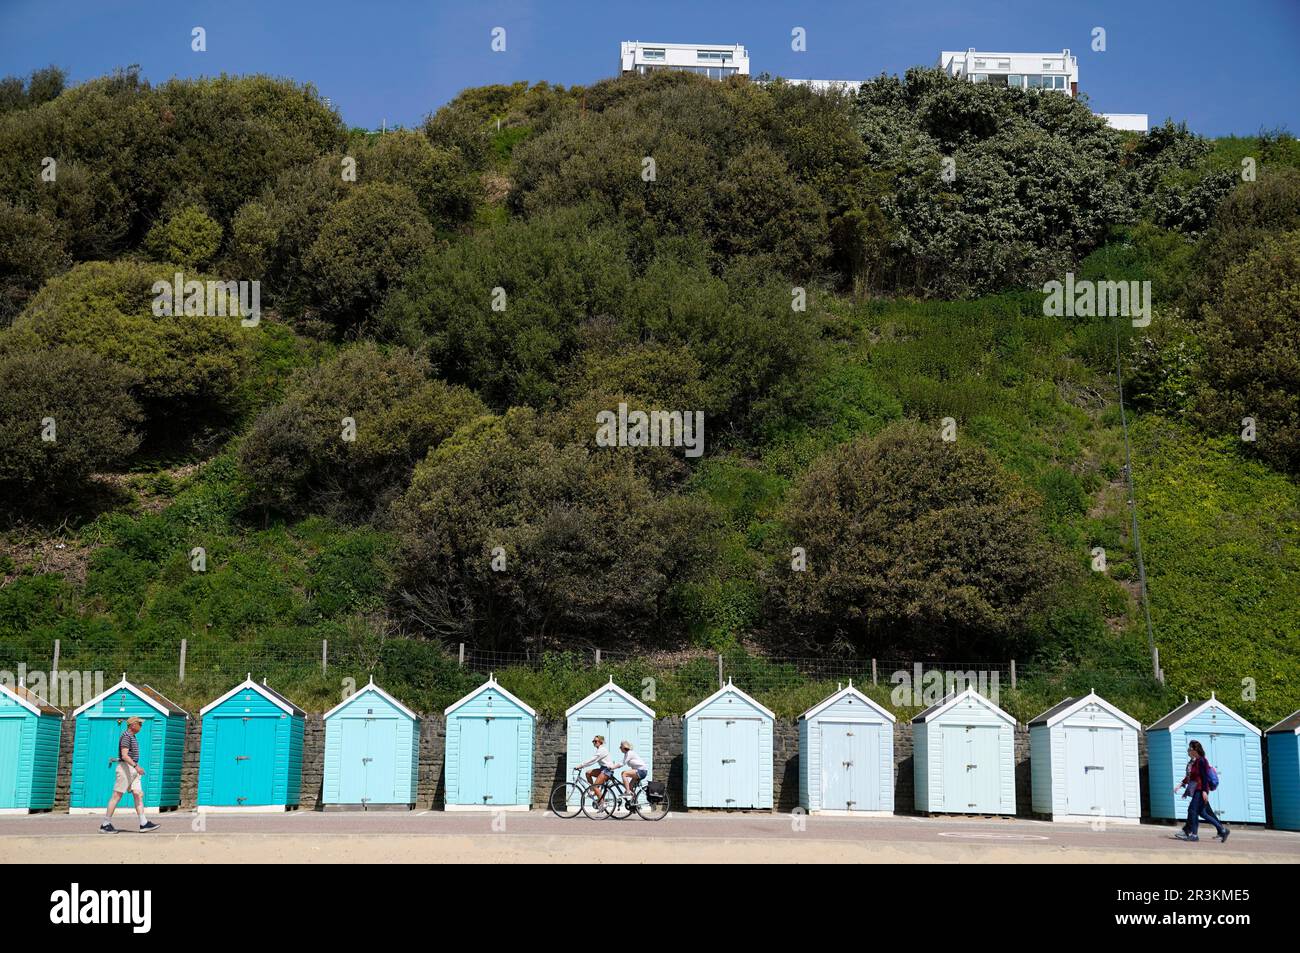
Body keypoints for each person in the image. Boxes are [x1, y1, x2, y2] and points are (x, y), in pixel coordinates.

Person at [100, 717, 159, 834]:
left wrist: (135, 768)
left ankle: (144, 823)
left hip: (133, 769)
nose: (141, 726)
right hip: (125, 768)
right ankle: (105, 824)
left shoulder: (132, 736)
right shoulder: (126, 736)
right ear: (133, 725)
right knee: (117, 796)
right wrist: (136, 766)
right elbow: (125, 755)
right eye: (140, 724)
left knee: (138, 795)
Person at [1173, 740, 1229, 843]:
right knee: (1203, 813)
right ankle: (1223, 830)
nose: (1188, 750)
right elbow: (1192, 777)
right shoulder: (1196, 761)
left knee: (1193, 811)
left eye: (1190, 748)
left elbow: (1203, 777)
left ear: (1195, 750)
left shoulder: (1202, 761)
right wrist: (1182, 786)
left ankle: (1194, 835)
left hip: (1200, 790)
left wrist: (1204, 791)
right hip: (1197, 790)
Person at [575, 735, 616, 805]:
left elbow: (593, 760)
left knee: (595, 786)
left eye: (595, 741)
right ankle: (593, 791)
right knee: (588, 773)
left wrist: (581, 765)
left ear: (600, 742)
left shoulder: (602, 750)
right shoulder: (599, 749)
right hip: (603, 769)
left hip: (607, 770)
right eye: (593, 741)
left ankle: (602, 804)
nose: (594, 742)